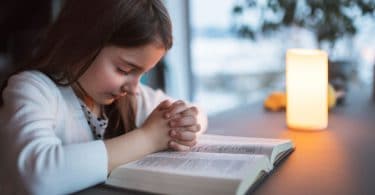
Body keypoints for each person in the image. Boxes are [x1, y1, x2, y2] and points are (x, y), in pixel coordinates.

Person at [0, 0, 208, 194]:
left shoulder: (130, 99)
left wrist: (186, 122)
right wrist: (148, 138)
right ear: (82, 42)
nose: (135, 88)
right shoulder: (33, 90)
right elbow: (38, 177)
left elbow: (198, 113)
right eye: (124, 70)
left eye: (143, 74)